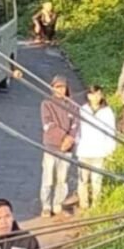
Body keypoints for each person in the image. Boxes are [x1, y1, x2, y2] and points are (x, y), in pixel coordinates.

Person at [39, 75, 79, 217]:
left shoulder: (72, 105)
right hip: (51, 146)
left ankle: (58, 204)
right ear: (52, 88)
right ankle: (46, 205)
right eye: (57, 87)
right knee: (48, 178)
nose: (60, 90)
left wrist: (70, 139)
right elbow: (48, 125)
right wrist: (64, 137)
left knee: (62, 179)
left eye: (62, 87)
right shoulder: (46, 104)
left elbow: (75, 125)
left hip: (67, 148)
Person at [75, 85, 117, 210]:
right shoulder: (83, 109)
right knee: (83, 180)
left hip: (99, 151)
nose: (96, 97)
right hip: (84, 150)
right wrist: (77, 143)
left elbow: (111, 132)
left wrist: (110, 149)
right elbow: (77, 128)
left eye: (99, 94)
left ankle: (95, 204)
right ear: (88, 96)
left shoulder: (107, 112)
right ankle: (83, 203)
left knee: (97, 180)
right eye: (93, 94)